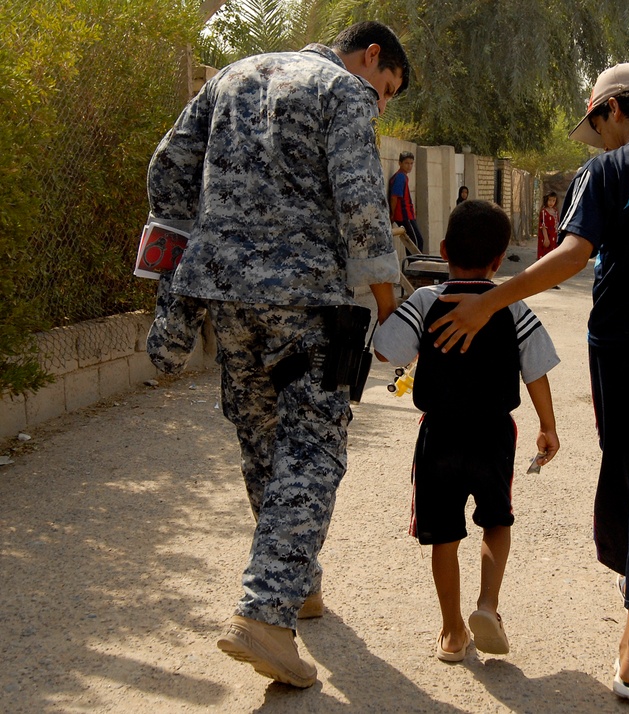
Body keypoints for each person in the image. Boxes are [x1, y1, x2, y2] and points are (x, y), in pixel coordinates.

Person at [426, 63, 629, 703]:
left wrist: (490, 302)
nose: (594, 139)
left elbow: (573, 256)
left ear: (609, 111)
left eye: (593, 125)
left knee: (626, 465)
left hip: (618, 352)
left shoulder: (603, 172)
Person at [145, 21, 410, 688]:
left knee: (262, 437)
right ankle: (265, 614)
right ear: (369, 56)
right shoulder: (342, 91)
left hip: (224, 293)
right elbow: (359, 204)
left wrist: (185, 267)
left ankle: (299, 583)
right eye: (386, 88)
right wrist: (388, 302)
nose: (380, 102)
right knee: (313, 447)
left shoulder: (234, 75)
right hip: (306, 301)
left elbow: (168, 167)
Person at [372, 199, 561, 662]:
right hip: (494, 434)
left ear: (442, 250)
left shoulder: (423, 302)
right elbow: (536, 369)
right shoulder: (510, 307)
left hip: (438, 435)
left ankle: (453, 633)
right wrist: (547, 426)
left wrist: (385, 306)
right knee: (496, 521)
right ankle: (488, 606)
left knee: (444, 536)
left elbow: (386, 353)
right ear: (499, 261)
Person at [390, 150, 426, 252]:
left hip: (408, 215)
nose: (409, 166)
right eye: (406, 163)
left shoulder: (403, 176)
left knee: (412, 242)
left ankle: (412, 265)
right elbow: (394, 197)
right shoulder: (400, 177)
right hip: (404, 215)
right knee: (416, 242)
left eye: (411, 164)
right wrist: (392, 214)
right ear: (400, 163)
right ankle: (414, 265)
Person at [537, 191, 559, 260]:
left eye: (553, 201)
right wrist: (546, 238)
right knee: (545, 255)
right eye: (550, 200)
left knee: (553, 255)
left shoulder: (555, 211)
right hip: (546, 237)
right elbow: (543, 226)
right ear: (546, 200)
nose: (551, 203)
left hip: (554, 237)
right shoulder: (544, 212)